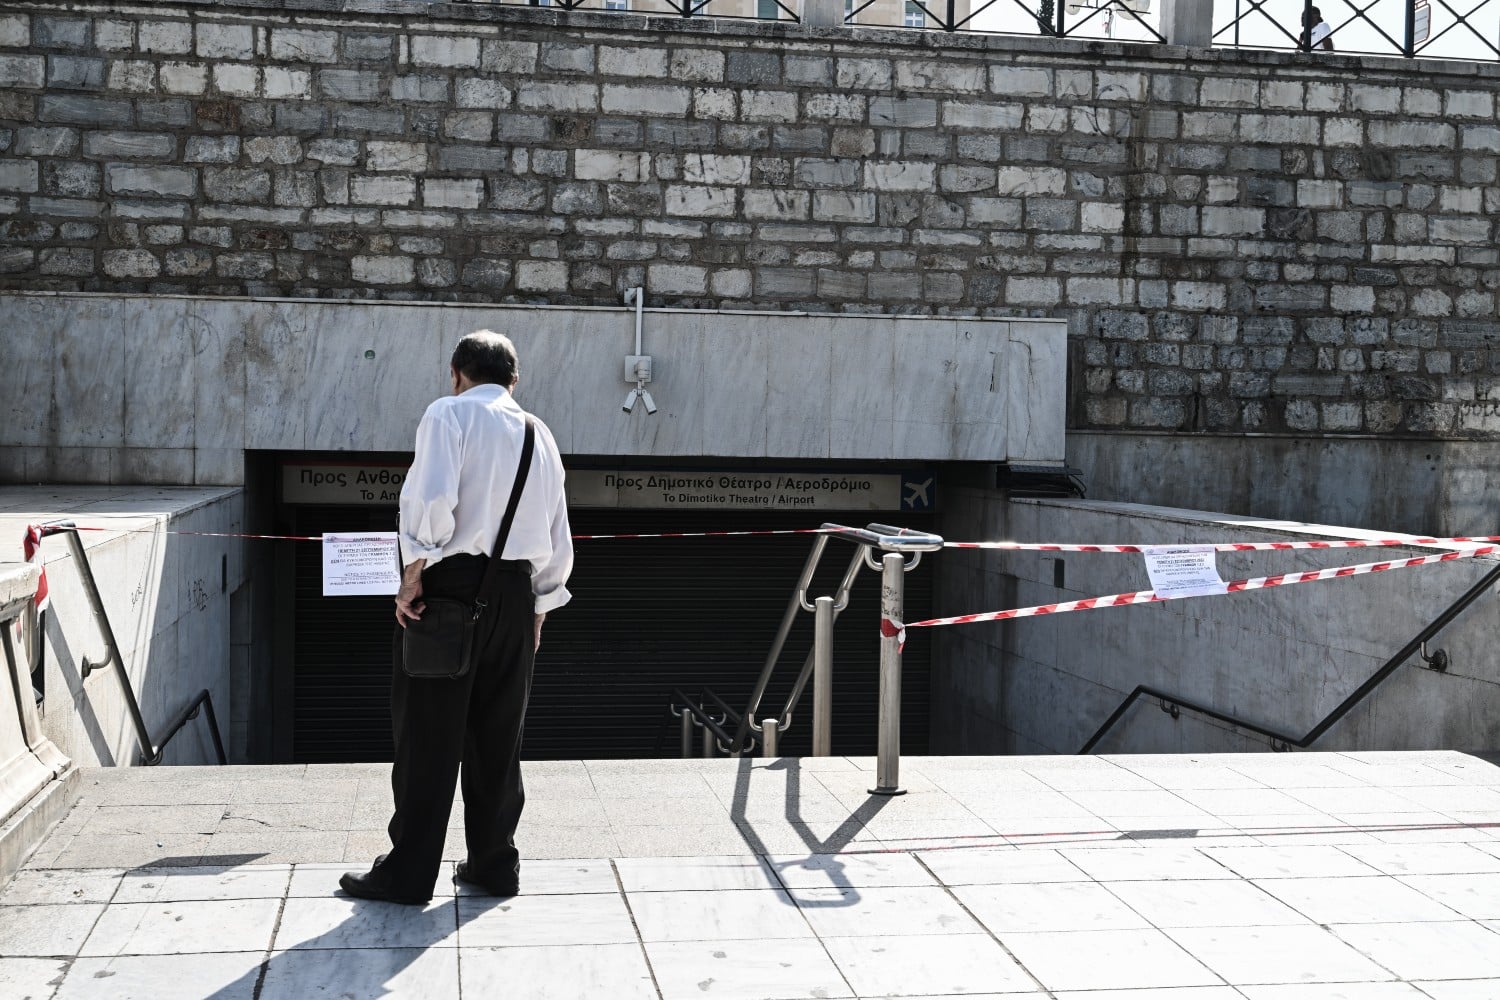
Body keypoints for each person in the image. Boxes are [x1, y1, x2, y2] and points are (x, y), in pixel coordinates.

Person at [341, 330, 573, 906]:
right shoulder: (537, 433)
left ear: (455, 373)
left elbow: (430, 498)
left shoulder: (448, 414)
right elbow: (555, 531)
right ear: (514, 381)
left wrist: (412, 574)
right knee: (500, 737)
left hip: (448, 591)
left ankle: (408, 873)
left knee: (427, 734)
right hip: (517, 596)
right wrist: (540, 607)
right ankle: (494, 865)